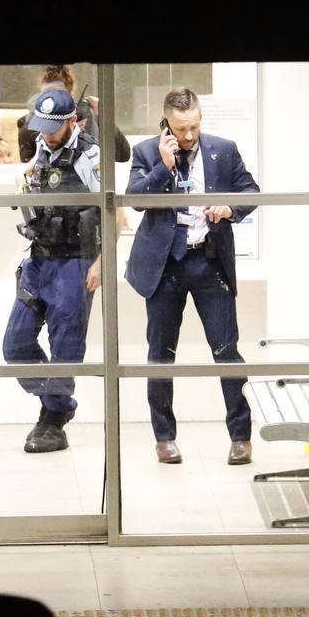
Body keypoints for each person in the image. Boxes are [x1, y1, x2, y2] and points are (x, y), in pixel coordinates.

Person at [125, 88, 259, 465]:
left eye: (194, 126)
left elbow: (252, 191)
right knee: (160, 355)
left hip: (208, 261)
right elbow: (134, 198)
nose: (188, 135)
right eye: (181, 128)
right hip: (165, 265)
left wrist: (230, 208)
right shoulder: (148, 152)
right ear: (166, 121)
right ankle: (164, 437)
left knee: (227, 350)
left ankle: (240, 436)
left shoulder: (223, 148)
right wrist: (162, 167)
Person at [2, 89, 103, 453]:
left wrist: (102, 262)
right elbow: (34, 175)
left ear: (73, 122)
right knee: (15, 345)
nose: (44, 135)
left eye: (52, 129)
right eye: (40, 128)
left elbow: (114, 211)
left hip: (75, 263)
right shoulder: (44, 148)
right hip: (39, 260)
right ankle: (57, 403)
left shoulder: (89, 156)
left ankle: (53, 422)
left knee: (65, 351)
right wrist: (23, 178)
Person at [17, 65, 131, 164]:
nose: (52, 101)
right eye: (47, 95)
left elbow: (123, 155)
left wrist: (103, 116)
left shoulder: (88, 115)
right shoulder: (29, 126)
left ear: (71, 95)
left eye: (58, 95)